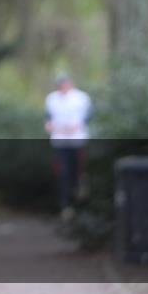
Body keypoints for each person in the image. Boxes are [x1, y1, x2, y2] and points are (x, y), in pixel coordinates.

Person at [44, 72, 92, 220]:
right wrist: (49, 125)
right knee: (63, 173)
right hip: (59, 141)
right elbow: (48, 117)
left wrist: (79, 125)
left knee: (77, 172)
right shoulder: (52, 99)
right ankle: (65, 206)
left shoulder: (81, 97)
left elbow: (88, 115)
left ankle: (80, 202)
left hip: (77, 140)